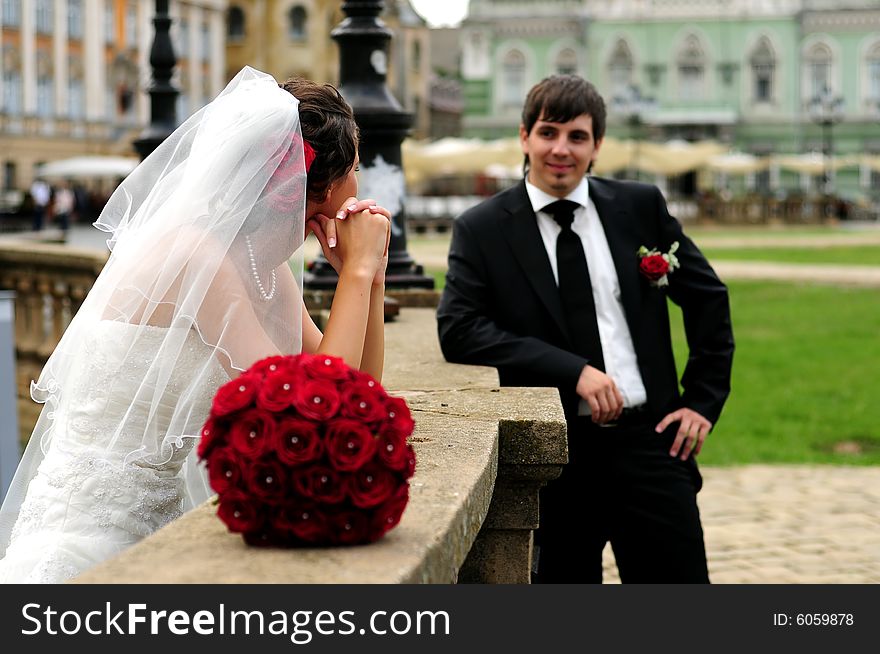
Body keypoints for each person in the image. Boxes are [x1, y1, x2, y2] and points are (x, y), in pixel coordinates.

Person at [0, 67, 391, 583]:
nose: (361, 185)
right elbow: (316, 414)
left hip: (163, 528)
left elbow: (357, 393)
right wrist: (356, 274)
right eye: (357, 168)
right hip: (95, 538)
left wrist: (370, 280)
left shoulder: (261, 265)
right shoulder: (194, 257)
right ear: (315, 183)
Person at [437, 75, 734, 583]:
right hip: (556, 455)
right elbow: (459, 329)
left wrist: (703, 400)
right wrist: (574, 371)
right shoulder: (482, 228)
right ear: (524, 136)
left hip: (652, 440)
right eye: (548, 132)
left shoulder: (640, 207)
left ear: (597, 145)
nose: (561, 149)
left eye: (577, 136)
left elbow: (708, 296)